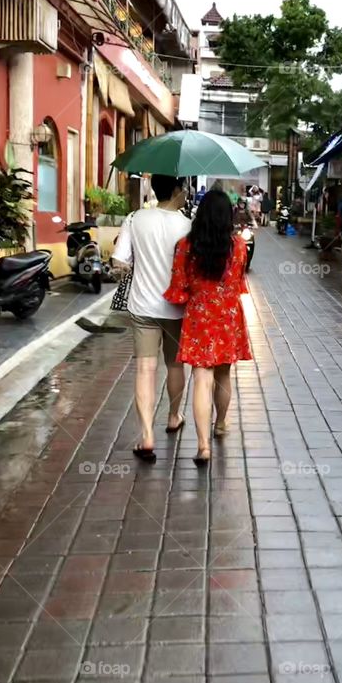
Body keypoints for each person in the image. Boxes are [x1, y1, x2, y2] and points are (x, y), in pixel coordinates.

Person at [165, 190, 252, 467]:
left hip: (200, 316)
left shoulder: (185, 246)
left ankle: (203, 446)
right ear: (228, 217)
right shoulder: (238, 246)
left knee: (201, 379)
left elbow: (179, 288)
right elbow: (239, 283)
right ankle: (221, 423)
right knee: (224, 374)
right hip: (227, 315)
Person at [112, 174, 191, 462]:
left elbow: (119, 262)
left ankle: (146, 435)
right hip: (176, 307)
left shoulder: (135, 218)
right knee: (174, 365)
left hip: (143, 306)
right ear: (177, 190)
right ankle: (173, 416)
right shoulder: (187, 225)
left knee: (145, 369)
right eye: (183, 188)